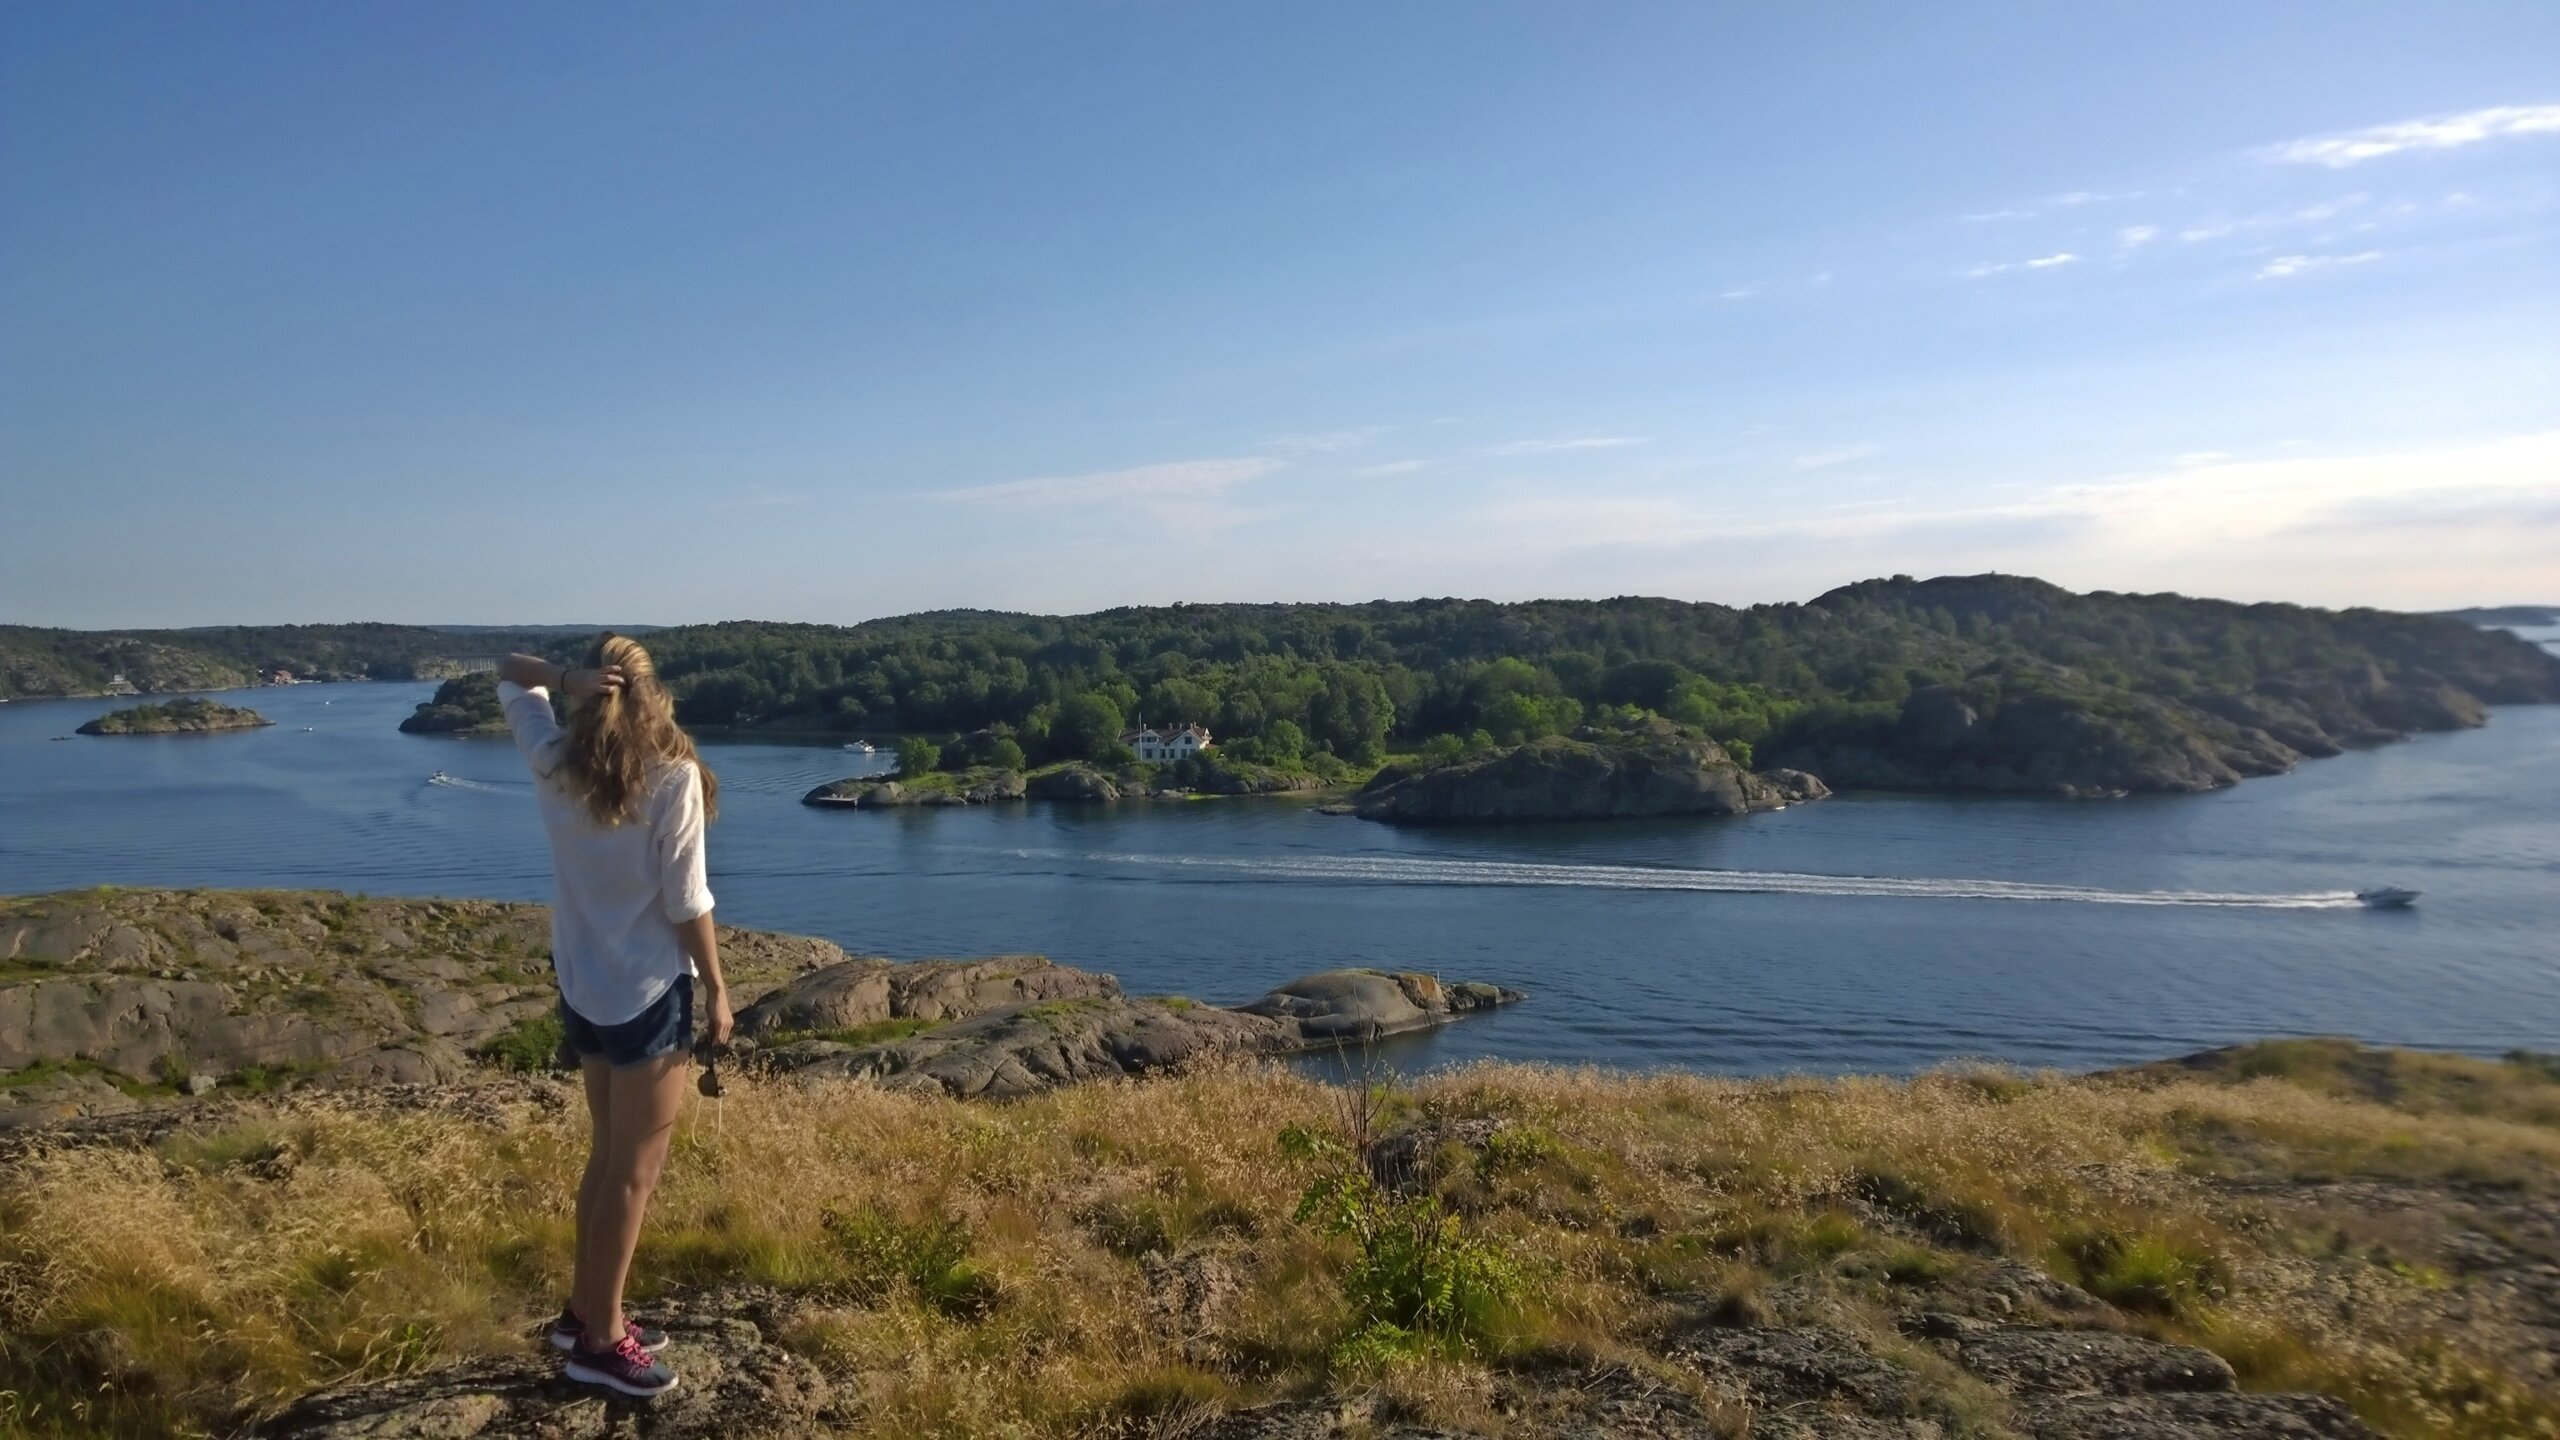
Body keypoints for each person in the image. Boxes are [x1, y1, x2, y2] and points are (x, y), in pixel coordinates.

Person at [495, 635, 732, 1398]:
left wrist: (560, 678)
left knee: (605, 1159)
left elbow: (508, 671)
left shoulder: (554, 759)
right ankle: (600, 1341)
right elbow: (687, 901)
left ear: (587, 692)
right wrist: (720, 991)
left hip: (582, 989)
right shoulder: (670, 778)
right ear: (652, 691)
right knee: (634, 1173)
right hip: (647, 994)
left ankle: (584, 1310)